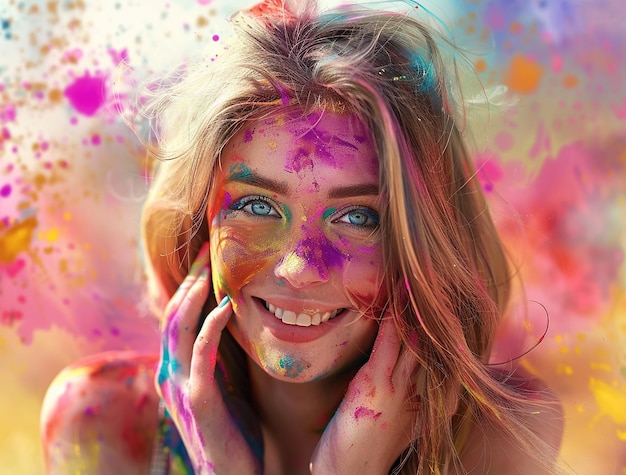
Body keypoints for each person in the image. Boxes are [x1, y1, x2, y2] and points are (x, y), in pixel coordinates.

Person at [41, 0, 566, 473]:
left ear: (420, 243)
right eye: (256, 206)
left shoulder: (497, 436)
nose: (300, 268)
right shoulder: (106, 422)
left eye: (359, 217)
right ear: (200, 226)